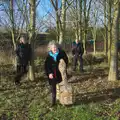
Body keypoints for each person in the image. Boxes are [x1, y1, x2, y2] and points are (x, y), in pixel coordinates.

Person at [45, 41, 68, 106]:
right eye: (53, 48)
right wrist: (49, 73)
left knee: (62, 87)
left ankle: (63, 100)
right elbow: (47, 66)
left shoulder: (62, 53)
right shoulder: (49, 56)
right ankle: (53, 102)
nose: (54, 49)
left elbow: (66, 61)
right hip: (53, 74)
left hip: (61, 74)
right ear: (50, 49)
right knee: (53, 89)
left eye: (55, 47)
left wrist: (63, 62)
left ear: (57, 47)